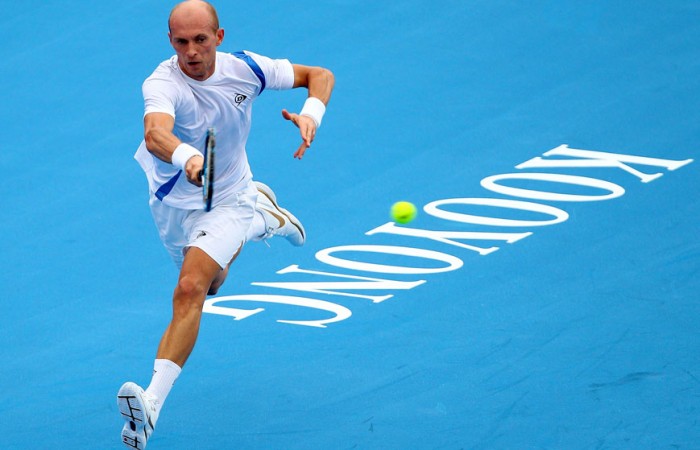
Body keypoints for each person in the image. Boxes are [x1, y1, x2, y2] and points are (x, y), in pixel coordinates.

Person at [116, 1, 334, 448]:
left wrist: (311, 115)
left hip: (229, 196)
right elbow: (156, 134)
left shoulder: (248, 69)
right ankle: (264, 218)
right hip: (175, 205)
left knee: (190, 289)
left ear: (219, 36)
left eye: (200, 39)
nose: (191, 51)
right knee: (213, 284)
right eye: (181, 42)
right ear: (170, 41)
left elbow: (320, 75)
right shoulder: (161, 82)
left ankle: (152, 403)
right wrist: (190, 157)